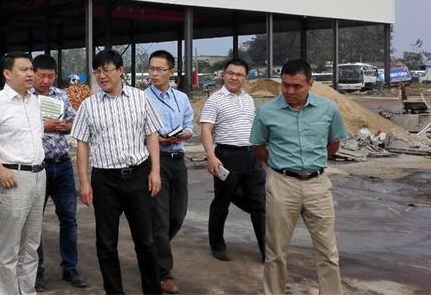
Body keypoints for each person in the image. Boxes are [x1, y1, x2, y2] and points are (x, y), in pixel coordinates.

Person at [250, 60, 348, 295]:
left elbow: (333, 144)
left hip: (318, 186)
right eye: (285, 85)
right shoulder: (266, 111)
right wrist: (280, 165)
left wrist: (314, 163)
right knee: (275, 251)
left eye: (297, 86)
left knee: (328, 251)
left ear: (310, 84)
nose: (290, 91)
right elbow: (258, 146)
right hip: (282, 184)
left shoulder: (328, 109)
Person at [71, 49, 163, 295]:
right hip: (105, 181)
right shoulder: (89, 105)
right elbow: (82, 144)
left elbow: (151, 135)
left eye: (107, 70)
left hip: (138, 176)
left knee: (146, 240)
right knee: (106, 242)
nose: (102, 76)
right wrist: (84, 182)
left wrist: (155, 171)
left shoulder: (140, 98)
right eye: (97, 71)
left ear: (120, 70)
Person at [0, 52, 46, 295]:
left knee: (31, 245)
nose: (30, 74)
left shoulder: (34, 101)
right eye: (24, 69)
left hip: (39, 176)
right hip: (13, 179)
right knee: (10, 248)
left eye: (31, 69)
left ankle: (27, 291)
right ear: (7, 73)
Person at [30, 54, 88, 291]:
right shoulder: (25, 97)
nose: (46, 81)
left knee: (69, 218)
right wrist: (44, 126)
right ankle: (36, 271)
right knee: (34, 221)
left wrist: (66, 126)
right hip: (38, 167)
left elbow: (75, 122)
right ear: (32, 73)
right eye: (41, 76)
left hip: (62, 165)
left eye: (50, 76)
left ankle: (70, 267)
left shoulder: (60, 95)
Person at [200, 58, 265, 262]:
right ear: (223, 74)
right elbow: (206, 129)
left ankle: (267, 250)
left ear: (245, 78)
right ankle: (217, 246)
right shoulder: (215, 100)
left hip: (252, 157)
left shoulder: (249, 99)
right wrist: (211, 156)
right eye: (230, 73)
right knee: (221, 202)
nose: (234, 77)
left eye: (239, 74)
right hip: (226, 156)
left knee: (259, 205)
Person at [144, 50, 193, 295]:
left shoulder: (181, 98)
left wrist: (185, 133)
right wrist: (157, 139)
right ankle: (163, 273)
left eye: (159, 69)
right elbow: (139, 131)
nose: (154, 74)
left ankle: (151, 252)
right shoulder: (142, 98)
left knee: (177, 216)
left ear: (170, 72)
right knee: (160, 221)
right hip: (156, 161)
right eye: (151, 69)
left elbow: (189, 124)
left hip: (178, 160)